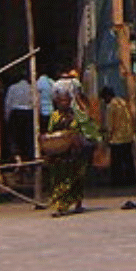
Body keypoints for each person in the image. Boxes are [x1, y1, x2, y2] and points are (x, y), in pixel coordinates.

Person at [44, 89, 100, 217]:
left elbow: (89, 129)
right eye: (60, 101)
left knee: (77, 179)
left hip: (76, 153)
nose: (63, 103)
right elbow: (51, 132)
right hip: (61, 153)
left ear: (70, 101)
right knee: (61, 180)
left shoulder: (78, 115)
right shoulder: (54, 116)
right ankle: (61, 206)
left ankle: (78, 203)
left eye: (65, 100)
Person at [100, 86, 136, 188]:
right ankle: (131, 180)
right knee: (128, 160)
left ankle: (117, 182)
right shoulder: (123, 102)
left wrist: (107, 138)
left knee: (116, 163)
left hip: (117, 138)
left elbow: (110, 124)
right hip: (127, 136)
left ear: (107, 96)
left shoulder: (111, 106)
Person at [3, 72, 36, 176]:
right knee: (28, 139)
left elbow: (8, 103)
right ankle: (28, 164)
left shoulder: (12, 88)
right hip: (29, 114)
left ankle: (19, 162)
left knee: (15, 139)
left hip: (16, 114)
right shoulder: (32, 88)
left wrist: (7, 117)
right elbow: (35, 102)